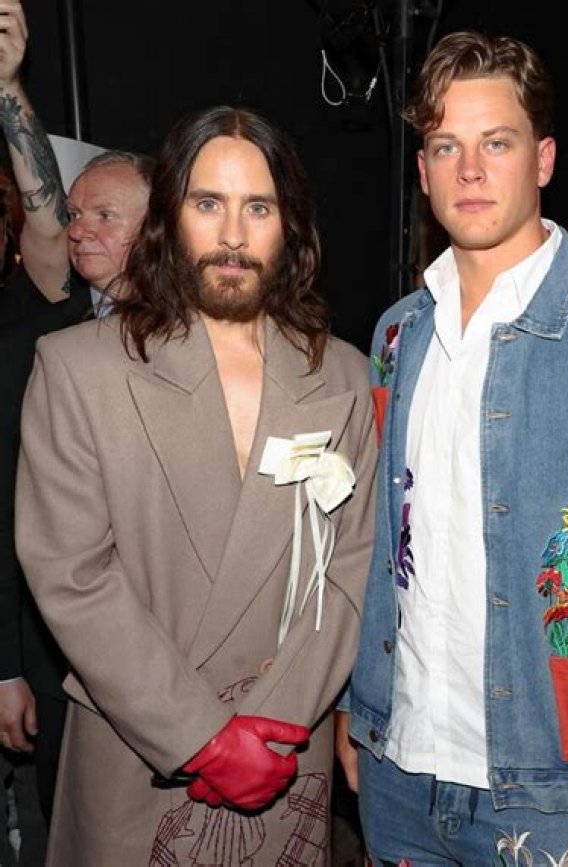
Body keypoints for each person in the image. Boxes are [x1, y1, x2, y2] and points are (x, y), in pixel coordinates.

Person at [341, 29, 568, 866]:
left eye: (496, 143)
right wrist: (355, 710)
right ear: (424, 169)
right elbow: (379, 548)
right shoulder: (397, 334)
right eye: (447, 146)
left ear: (542, 159)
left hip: (555, 799)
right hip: (397, 776)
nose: (470, 170)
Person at [14, 103, 377, 866]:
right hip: (139, 752)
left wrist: (276, 720)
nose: (234, 234)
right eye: (208, 203)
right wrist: (203, 738)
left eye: (259, 207)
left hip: (284, 751)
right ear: (169, 217)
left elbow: (352, 564)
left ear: (290, 224)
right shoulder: (79, 370)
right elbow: (72, 575)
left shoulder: (342, 373)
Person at [0, 0, 152, 851]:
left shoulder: (207, 340)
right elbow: (41, 204)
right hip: (64, 662)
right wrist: (7, 86)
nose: (79, 227)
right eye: (76, 213)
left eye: (105, 215)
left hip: (173, 658)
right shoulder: (54, 325)